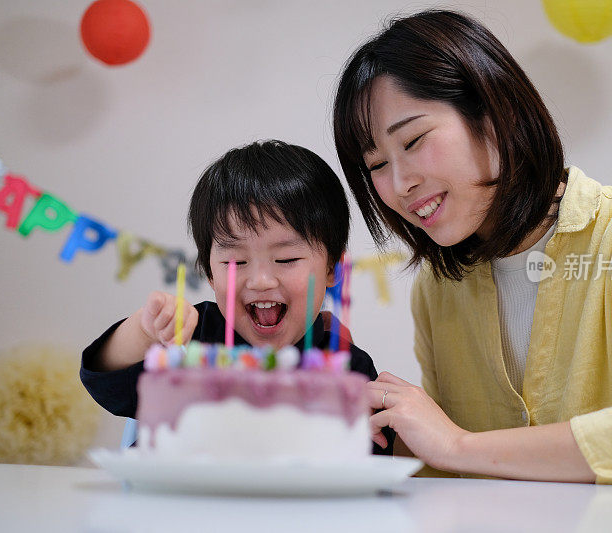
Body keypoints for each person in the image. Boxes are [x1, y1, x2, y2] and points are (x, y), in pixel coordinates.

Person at [332, 9, 612, 493]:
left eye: (414, 140)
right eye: (376, 164)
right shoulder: (439, 288)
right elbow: (451, 472)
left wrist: (458, 444)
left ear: (494, 112)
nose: (400, 184)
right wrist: (369, 428)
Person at [80, 140, 393, 455]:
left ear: (332, 269)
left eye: (285, 260)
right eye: (235, 262)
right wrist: (144, 332)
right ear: (209, 272)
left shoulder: (344, 366)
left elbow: (374, 453)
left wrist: (354, 435)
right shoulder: (190, 339)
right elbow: (104, 381)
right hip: (177, 499)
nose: (260, 281)